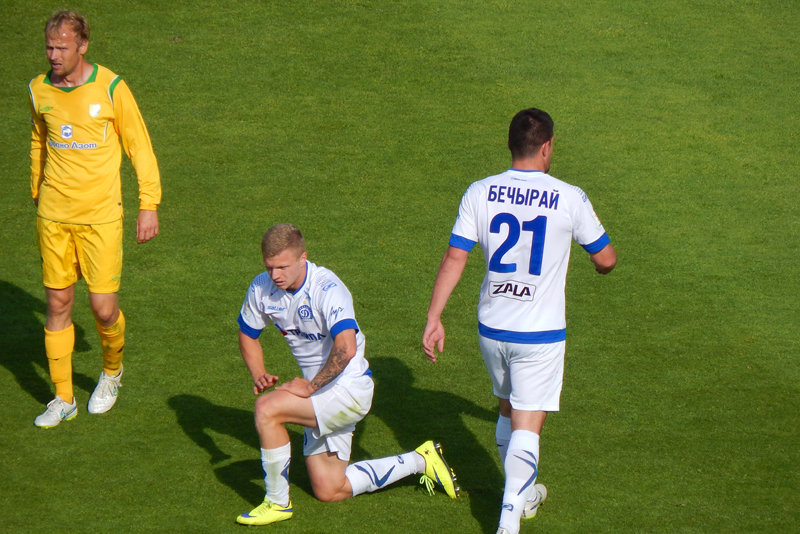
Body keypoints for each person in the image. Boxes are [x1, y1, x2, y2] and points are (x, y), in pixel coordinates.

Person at [422, 109, 617, 534]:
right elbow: (606, 258)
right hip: (540, 334)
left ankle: (525, 498)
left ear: (510, 144)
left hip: (492, 329)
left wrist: (435, 317)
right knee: (528, 423)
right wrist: (596, 264)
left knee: (508, 409)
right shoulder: (569, 196)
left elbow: (455, 256)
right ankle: (508, 524)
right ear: (546, 147)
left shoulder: (480, 191)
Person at [235, 224, 458, 526]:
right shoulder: (262, 287)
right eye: (269, 267)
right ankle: (421, 460)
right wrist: (259, 373)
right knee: (330, 489)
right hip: (321, 393)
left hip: (349, 389)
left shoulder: (327, 288)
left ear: (303, 258)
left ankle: (276, 503)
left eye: (283, 267)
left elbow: (346, 347)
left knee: (266, 410)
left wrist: (309, 387)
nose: (275, 275)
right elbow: (247, 334)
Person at [29, 10, 162, 428]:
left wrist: (148, 204)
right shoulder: (38, 90)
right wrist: (36, 190)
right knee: (57, 303)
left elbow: (139, 146)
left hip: (100, 217)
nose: (53, 55)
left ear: (83, 46)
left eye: (61, 47)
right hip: (54, 216)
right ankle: (63, 397)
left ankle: (111, 372)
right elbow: (39, 141)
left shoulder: (111, 88)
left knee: (104, 310)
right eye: (49, 47)